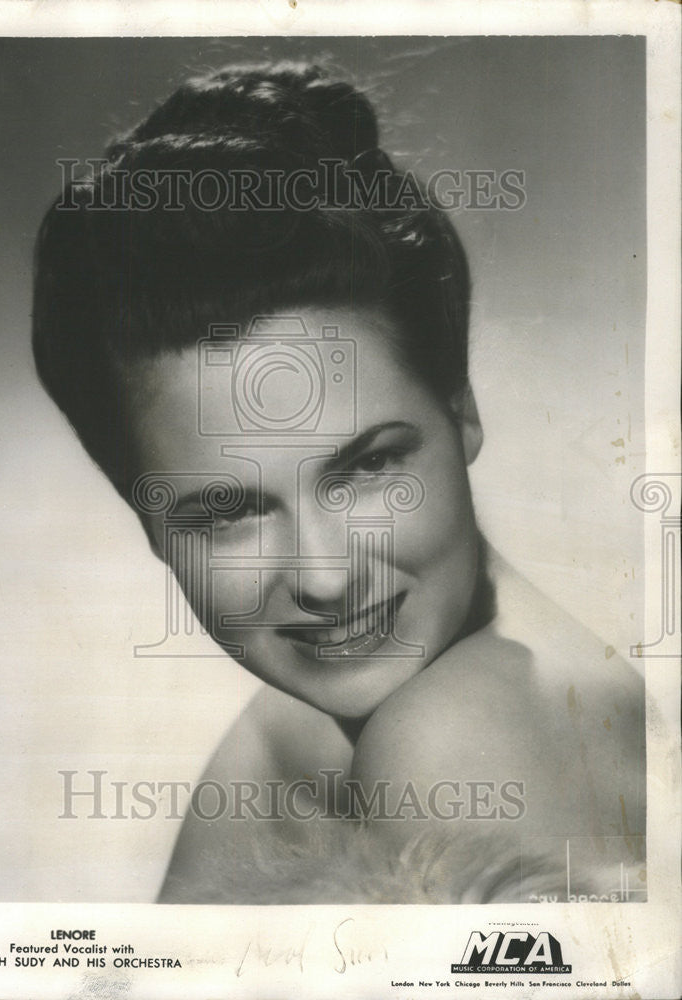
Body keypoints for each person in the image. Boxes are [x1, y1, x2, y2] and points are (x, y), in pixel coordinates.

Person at [32, 62, 645, 903]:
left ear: (461, 412)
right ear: (149, 527)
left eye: (367, 467)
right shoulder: (294, 730)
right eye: (230, 514)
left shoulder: (451, 736)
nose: (324, 577)